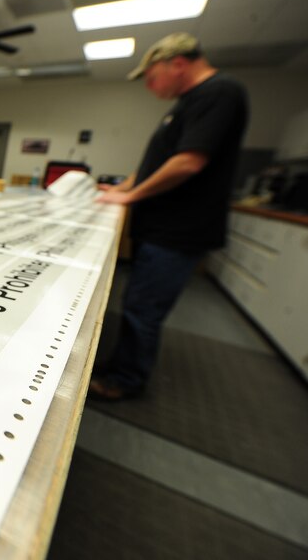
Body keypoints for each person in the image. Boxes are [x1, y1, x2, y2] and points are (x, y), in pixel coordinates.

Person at [89, 33, 249, 401]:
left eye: (151, 76)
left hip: (178, 230)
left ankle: (126, 379)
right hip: (162, 227)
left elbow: (188, 161)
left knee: (144, 308)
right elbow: (155, 164)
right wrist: (121, 188)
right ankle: (118, 364)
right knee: (135, 303)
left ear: (177, 63)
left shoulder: (219, 93)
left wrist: (130, 196)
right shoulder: (187, 103)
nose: (150, 85)